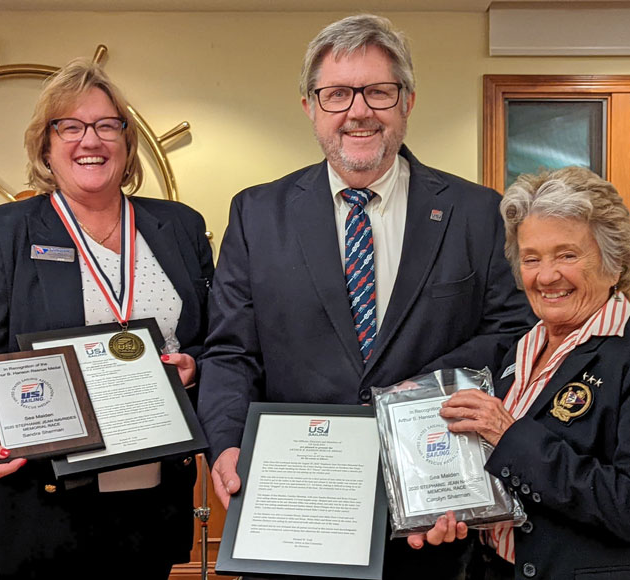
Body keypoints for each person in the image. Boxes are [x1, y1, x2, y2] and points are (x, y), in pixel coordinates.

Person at [197, 14, 534, 579]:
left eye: (378, 91)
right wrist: (227, 445)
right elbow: (231, 351)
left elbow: (512, 336)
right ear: (309, 106)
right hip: (296, 511)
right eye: (336, 94)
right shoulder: (258, 214)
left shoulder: (477, 212)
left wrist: (412, 402)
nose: (358, 111)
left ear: (407, 102)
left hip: (432, 513)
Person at [0, 58, 213, 580]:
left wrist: (194, 369)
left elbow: (218, 343)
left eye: (107, 126)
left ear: (126, 144)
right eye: (71, 126)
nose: (91, 140)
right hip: (41, 509)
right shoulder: (4, 232)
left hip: (151, 506)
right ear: (46, 146)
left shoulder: (180, 227)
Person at [419, 166, 630, 579]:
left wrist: (508, 433)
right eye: (531, 259)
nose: (546, 276)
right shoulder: (517, 350)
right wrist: (454, 510)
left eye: (567, 255)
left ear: (615, 262)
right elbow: (504, 479)